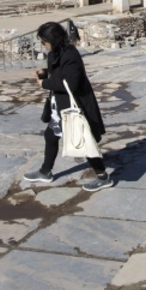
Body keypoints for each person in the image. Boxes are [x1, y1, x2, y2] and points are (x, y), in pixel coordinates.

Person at [24, 21, 113, 191]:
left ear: (53, 39)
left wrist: (45, 83)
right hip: (59, 106)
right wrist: (45, 72)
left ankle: (103, 176)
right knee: (50, 136)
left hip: (75, 106)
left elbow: (69, 83)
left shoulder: (71, 55)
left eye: (44, 41)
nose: (43, 45)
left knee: (84, 140)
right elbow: (58, 71)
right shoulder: (55, 53)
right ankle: (45, 172)